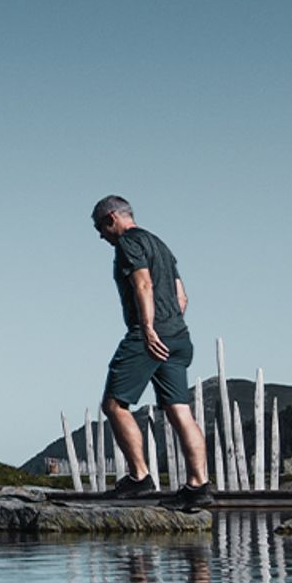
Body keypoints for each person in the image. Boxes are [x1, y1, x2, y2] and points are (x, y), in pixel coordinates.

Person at [91, 197, 213, 510]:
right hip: (178, 336)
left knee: (114, 404)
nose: (99, 235)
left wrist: (147, 328)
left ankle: (139, 478)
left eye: (99, 226)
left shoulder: (129, 243)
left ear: (112, 218)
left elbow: (143, 285)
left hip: (150, 336)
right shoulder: (159, 243)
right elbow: (182, 295)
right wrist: (171, 325)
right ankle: (198, 486)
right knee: (179, 410)